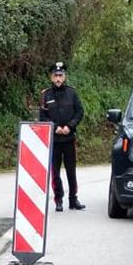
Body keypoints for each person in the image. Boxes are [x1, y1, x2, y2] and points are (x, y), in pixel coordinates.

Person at [38, 61, 85, 211]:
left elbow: (79, 112)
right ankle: (58, 200)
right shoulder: (46, 95)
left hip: (69, 139)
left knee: (71, 171)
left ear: (64, 77)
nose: (58, 78)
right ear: (51, 78)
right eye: (55, 75)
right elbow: (42, 116)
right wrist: (55, 127)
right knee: (55, 172)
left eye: (60, 75)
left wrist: (69, 126)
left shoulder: (72, 93)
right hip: (54, 140)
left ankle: (73, 199)